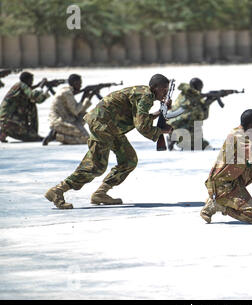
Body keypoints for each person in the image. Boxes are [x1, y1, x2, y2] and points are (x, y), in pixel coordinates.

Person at [45, 74, 173, 209]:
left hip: (110, 127)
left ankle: (100, 193)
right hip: (103, 126)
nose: (165, 93)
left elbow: (139, 118)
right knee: (96, 166)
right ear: (154, 88)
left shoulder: (143, 93)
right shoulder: (146, 96)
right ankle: (57, 190)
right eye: (163, 90)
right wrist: (160, 131)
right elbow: (141, 126)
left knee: (129, 160)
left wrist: (160, 112)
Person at [43, 74, 95, 145]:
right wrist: (85, 96)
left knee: (85, 115)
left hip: (66, 119)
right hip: (58, 122)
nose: (80, 86)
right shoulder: (67, 93)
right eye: (79, 84)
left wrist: (89, 96)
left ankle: (61, 133)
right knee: (86, 139)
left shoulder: (67, 91)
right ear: (74, 83)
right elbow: (75, 111)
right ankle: (57, 136)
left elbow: (79, 110)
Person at [0, 71, 49, 142]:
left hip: (7, 121)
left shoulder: (20, 88)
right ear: (26, 80)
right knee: (32, 137)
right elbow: (33, 96)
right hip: (8, 121)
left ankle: (5, 132)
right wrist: (41, 86)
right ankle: (6, 131)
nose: (31, 83)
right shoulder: (21, 85)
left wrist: (45, 90)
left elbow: (38, 100)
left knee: (31, 104)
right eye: (31, 81)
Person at [167, 77, 214, 151]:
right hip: (181, 127)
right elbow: (201, 116)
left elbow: (200, 116)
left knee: (202, 144)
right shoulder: (191, 97)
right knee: (198, 145)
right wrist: (206, 104)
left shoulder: (184, 95)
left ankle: (174, 138)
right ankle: (175, 138)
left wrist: (207, 104)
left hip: (176, 125)